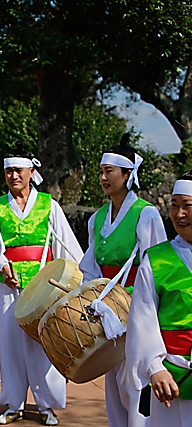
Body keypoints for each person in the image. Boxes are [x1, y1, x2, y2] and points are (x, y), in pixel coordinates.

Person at [0, 145, 83, 425]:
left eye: (18, 170)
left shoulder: (49, 205)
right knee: (11, 344)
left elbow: (66, 246)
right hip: (10, 286)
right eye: (8, 171)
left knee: (43, 344)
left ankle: (46, 405)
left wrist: (70, 281)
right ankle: (13, 403)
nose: (13, 176)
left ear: (31, 171)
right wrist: (2, 266)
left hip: (44, 285)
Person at [79, 136, 166, 427]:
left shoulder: (146, 213)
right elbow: (90, 266)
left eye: (110, 172)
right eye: (101, 171)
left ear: (127, 175)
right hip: (108, 309)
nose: (103, 178)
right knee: (113, 381)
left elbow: (157, 266)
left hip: (135, 307)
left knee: (134, 380)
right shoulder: (98, 218)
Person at [126, 173, 192, 427]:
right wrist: (155, 368)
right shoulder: (157, 260)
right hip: (172, 375)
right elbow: (142, 321)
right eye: (174, 205)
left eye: (187, 205)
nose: (179, 214)